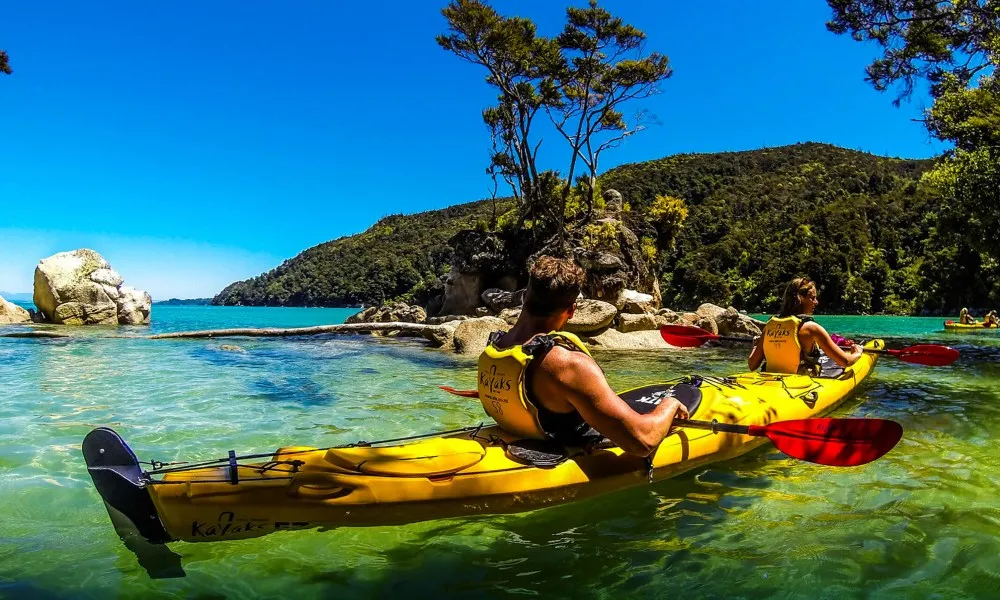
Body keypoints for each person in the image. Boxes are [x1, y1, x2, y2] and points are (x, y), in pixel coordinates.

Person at [477, 256, 688, 457]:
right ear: (572, 310)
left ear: (524, 297)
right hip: (563, 445)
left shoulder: (496, 347)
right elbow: (642, 442)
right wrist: (670, 404)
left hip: (515, 435)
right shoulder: (567, 365)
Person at [748, 277, 864, 375]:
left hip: (771, 381)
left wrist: (755, 346)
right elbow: (845, 361)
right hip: (800, 385)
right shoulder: (812, 328)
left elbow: (752, 365)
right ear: (800, 298)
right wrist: (857, 353)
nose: (816, 302)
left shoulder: (770, 326)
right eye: (812, 298)